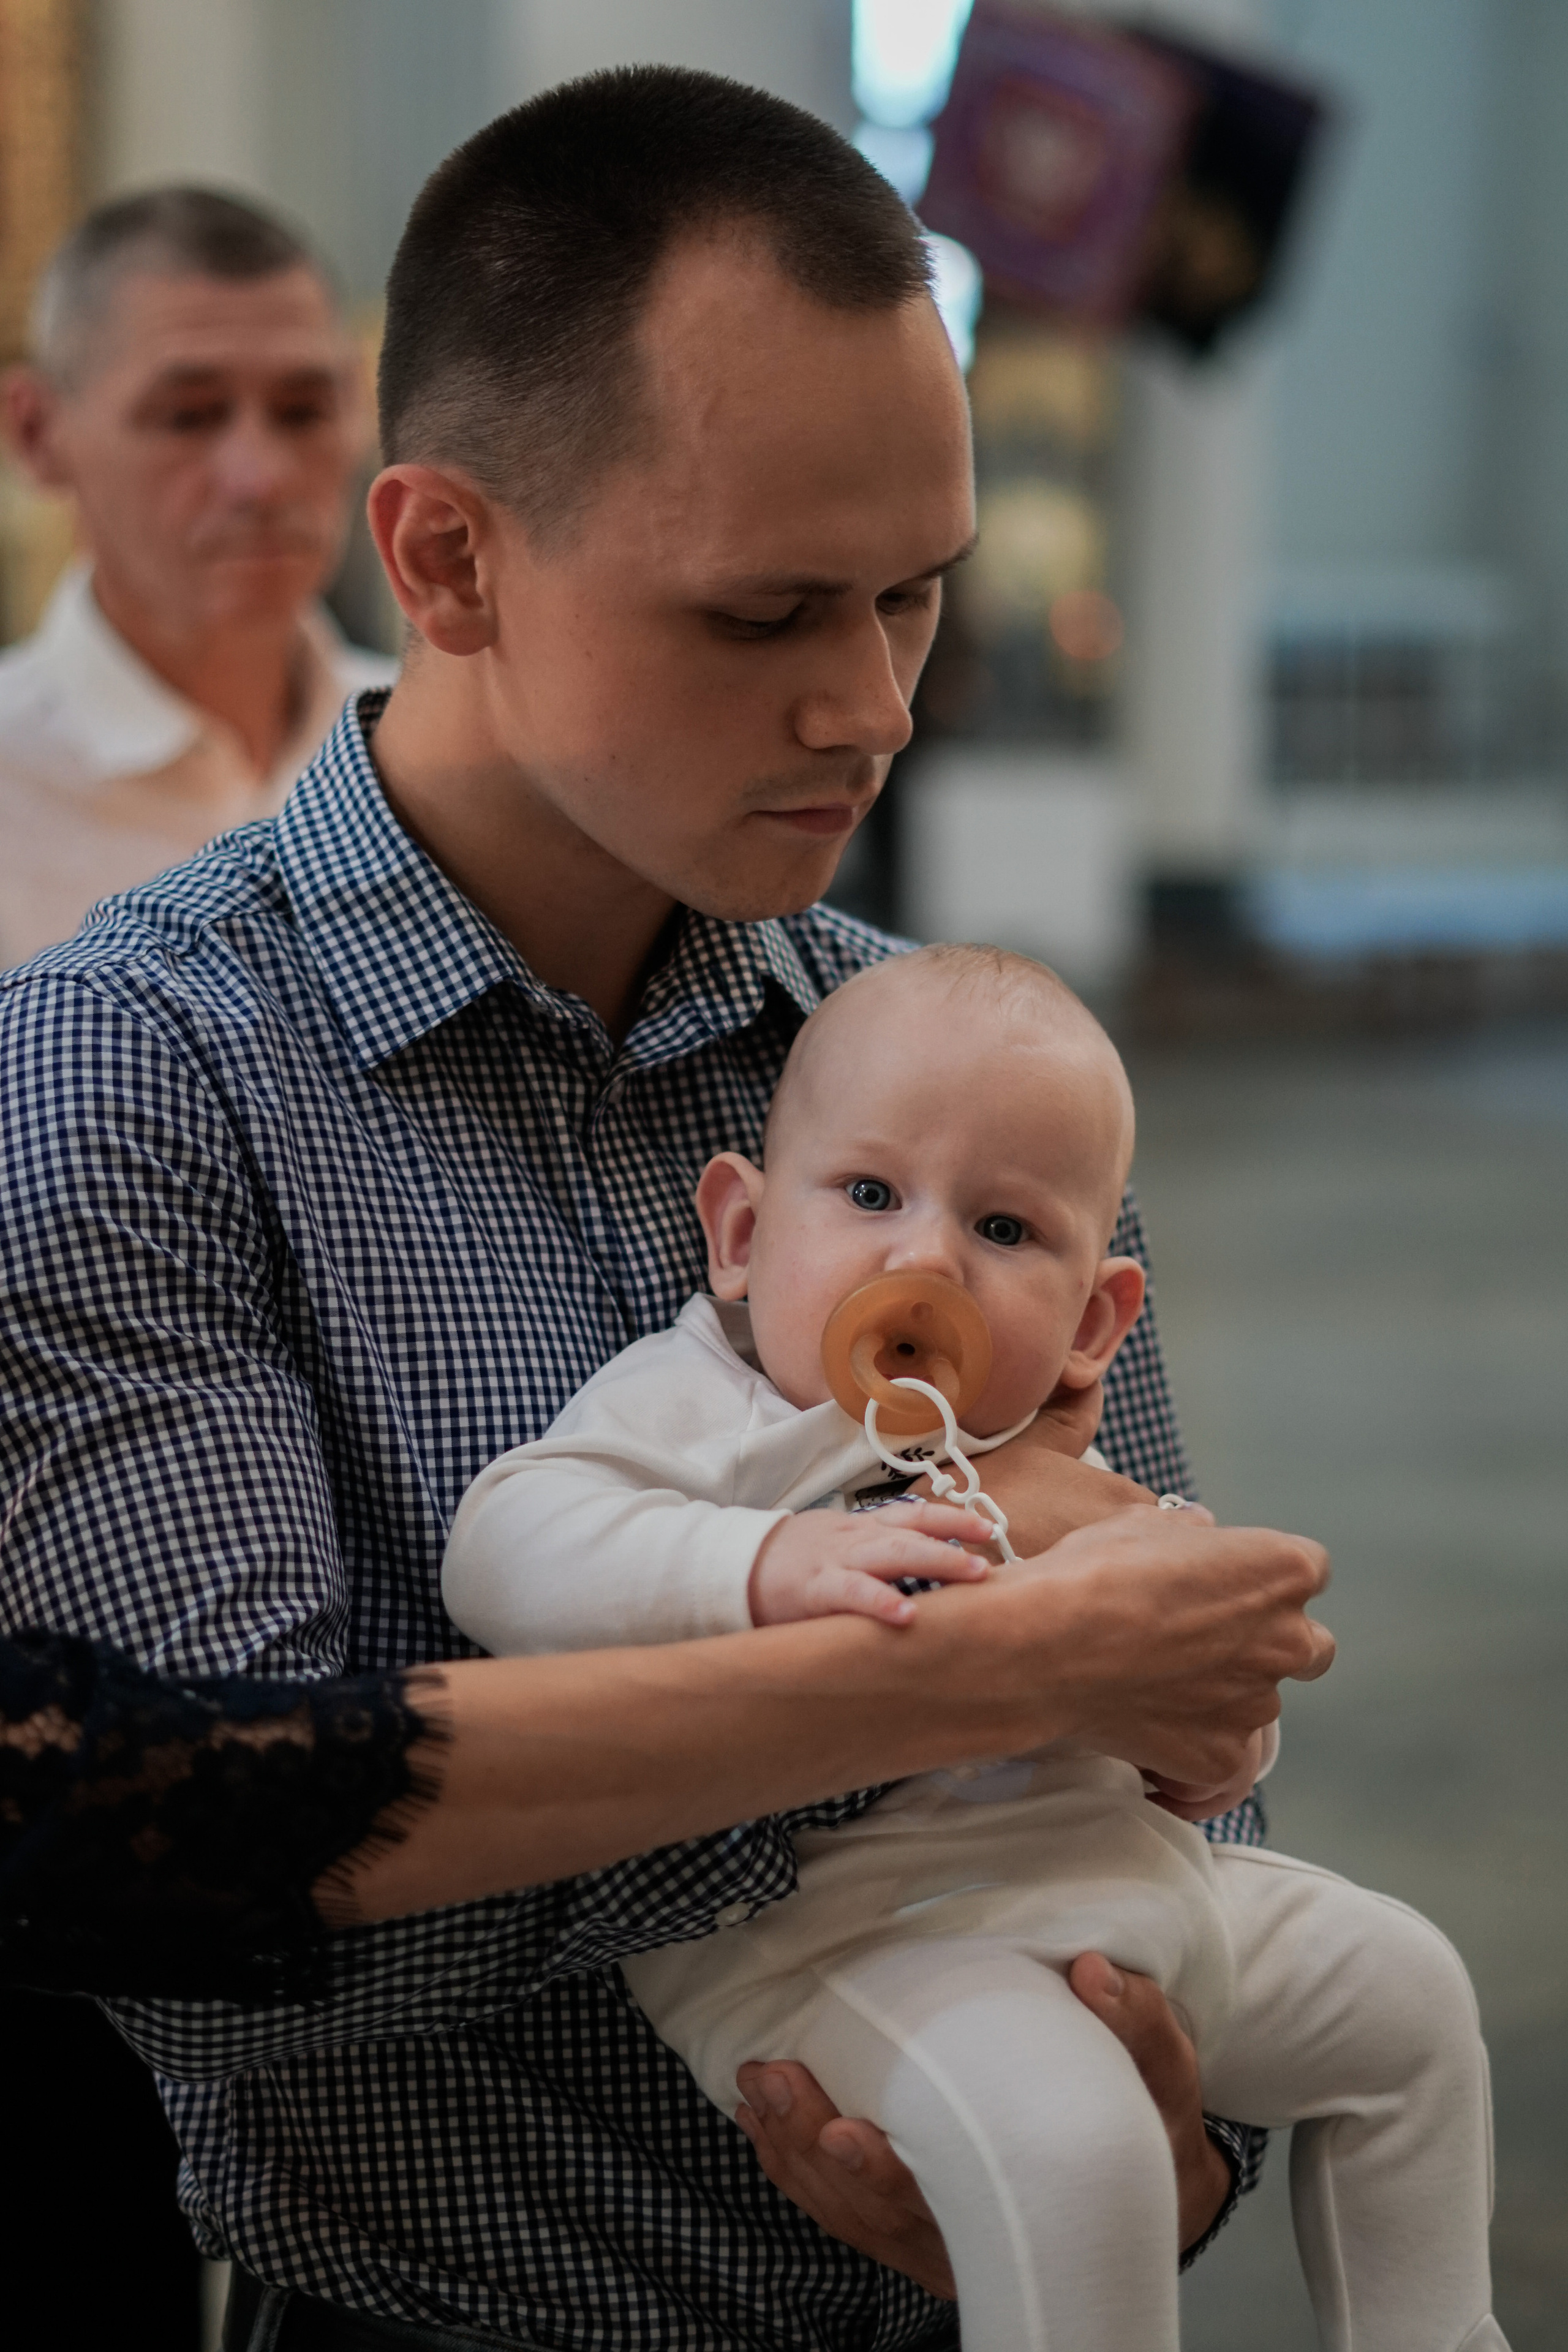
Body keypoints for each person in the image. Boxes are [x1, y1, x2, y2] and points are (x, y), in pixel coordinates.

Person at [0, 70, 1331, 2350]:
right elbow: (209, 1882)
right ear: (447, 560)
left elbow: (1165, 1736)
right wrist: (968, 1680)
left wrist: (1175, 2133)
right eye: (766, 611)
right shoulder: (131, 1069)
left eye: (912, 593)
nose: (871, 704)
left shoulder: (932, 1055)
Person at [443, 944, 1504, 2352]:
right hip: (851, 1938)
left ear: (1089, 1322)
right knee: (1073, 2143)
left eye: (1002, 1227)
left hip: (1114, 1892)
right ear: (742, 1233)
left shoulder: (1057, 1458)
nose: (925, 1258)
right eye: (868, 1194)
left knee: (1408, 1996)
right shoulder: (712, 1403)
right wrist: (756, 1562)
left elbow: (1206, 1698)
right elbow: (503, 1544)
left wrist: (1213, 1745)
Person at [0, 184, 393, 969]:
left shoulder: (437, 756)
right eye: (189, 416)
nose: (262, 479)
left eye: (303, 411)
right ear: (37, 431)